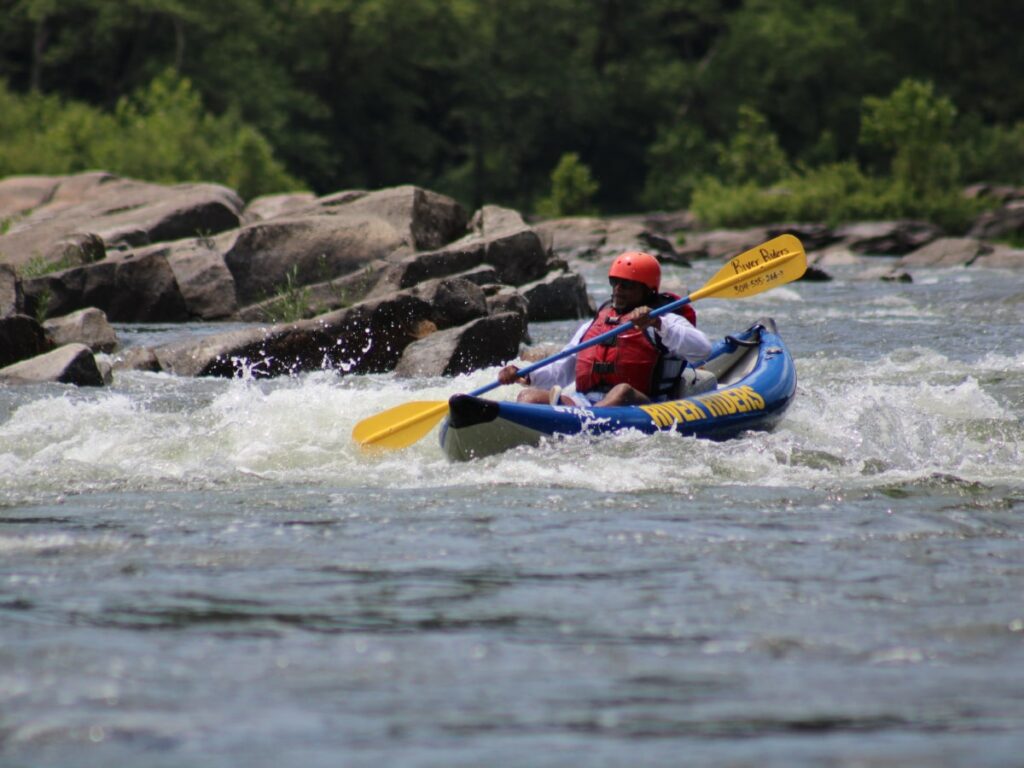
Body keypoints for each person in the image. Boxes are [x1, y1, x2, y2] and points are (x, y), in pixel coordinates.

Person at [498, 251, 712, 407]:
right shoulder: (594, 325)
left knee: (622, 391)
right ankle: (580, 420)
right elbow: (561, 368)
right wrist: (526, 375)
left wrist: (657, 323)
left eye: (627, 285)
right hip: (586, 403)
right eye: (615, 282)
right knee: (528, 398)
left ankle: (585, 423)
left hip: (644, 405)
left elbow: (702, 350)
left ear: (647, 292)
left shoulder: (663, 320)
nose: (618, 289)